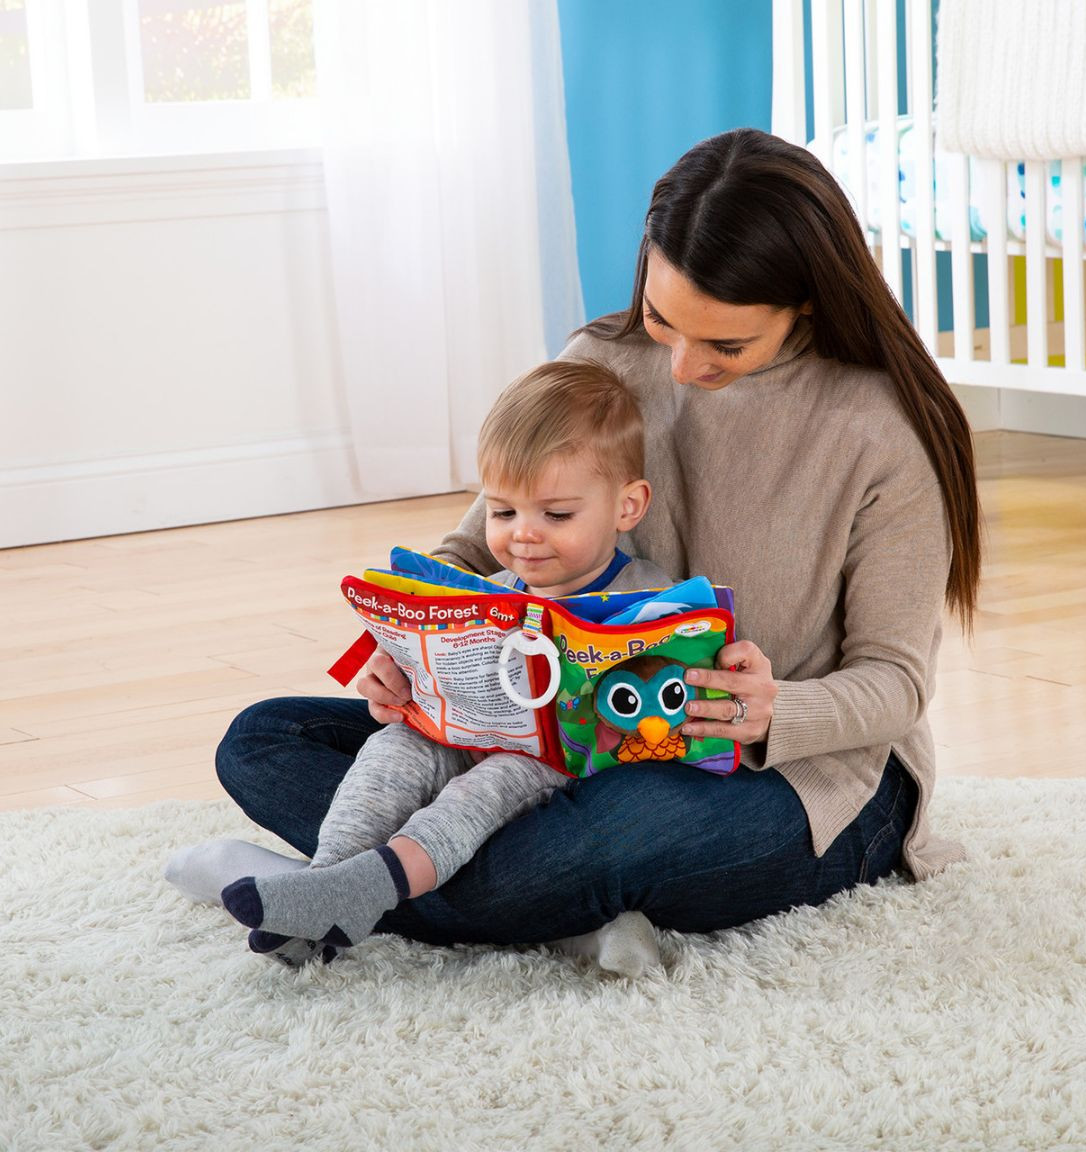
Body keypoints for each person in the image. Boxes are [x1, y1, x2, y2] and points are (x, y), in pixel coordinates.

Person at [210, 128, 980, 956]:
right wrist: (407, 650)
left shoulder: (882, 430)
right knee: (263, 739)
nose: (681, 366)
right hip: (564, 743)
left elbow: (896, 684)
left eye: (725, 344)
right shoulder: (603, 361)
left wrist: (771, 710)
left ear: (810, 305)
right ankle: (470, 895)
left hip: (802, 776)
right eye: (661, 320)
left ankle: (313, 883)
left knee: (567, 849)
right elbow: (474, 550)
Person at [211, 360, 674, 969]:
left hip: (557, 764)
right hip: (465, 731)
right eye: (504, 513)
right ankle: (323, 883)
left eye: (556, 515)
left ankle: (370, 889)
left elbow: (667, 694)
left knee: (484, 789)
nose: (523, 536)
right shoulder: (489, 590)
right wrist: (396, 673)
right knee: (392, 749)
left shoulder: (650, 595)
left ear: (627, 506)